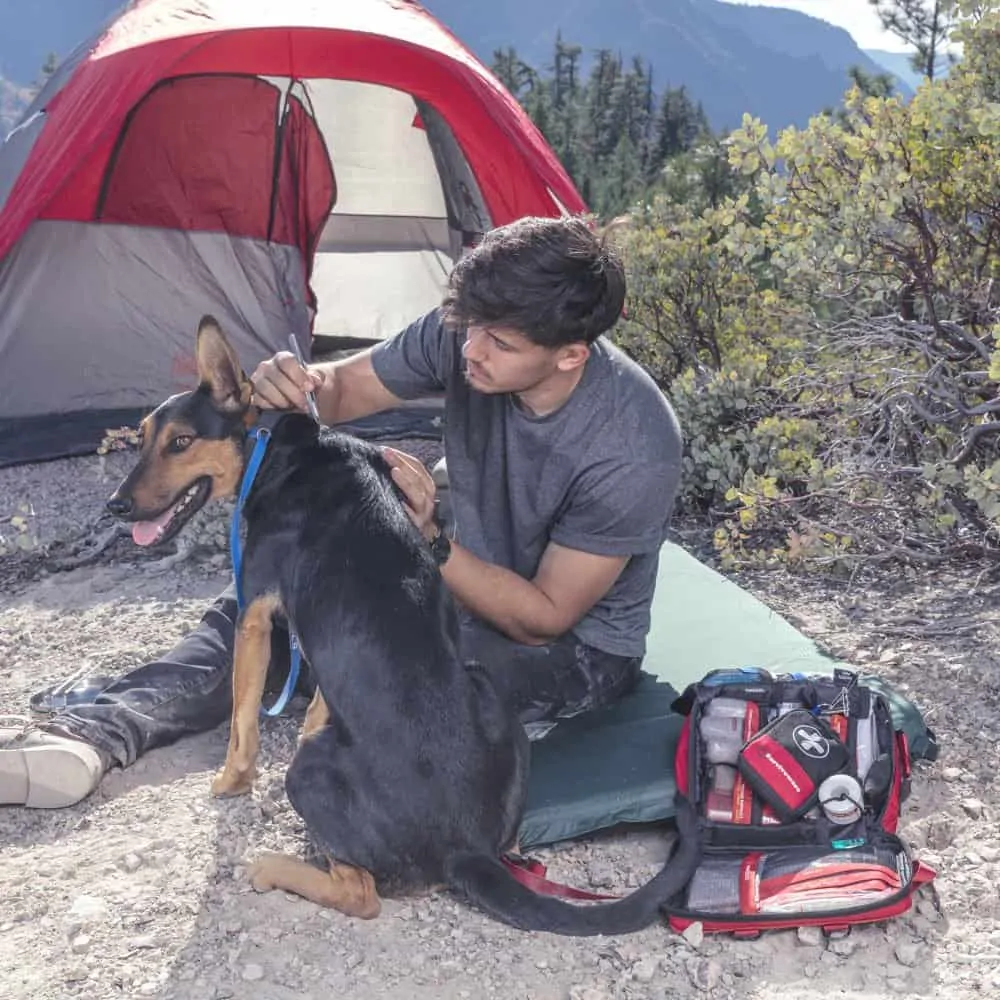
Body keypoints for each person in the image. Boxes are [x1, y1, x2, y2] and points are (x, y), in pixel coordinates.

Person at [0, 215, 683, 809]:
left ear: (570, 354)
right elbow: (345, 389)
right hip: (453, 583)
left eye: (499, 344)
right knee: (266, 606)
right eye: (470, 327)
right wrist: (294, 383)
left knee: (399, 667)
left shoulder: (633, 442)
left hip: (573, 651)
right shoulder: (466, 339)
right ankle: (94, 734)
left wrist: (427, 540)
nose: (471, 349)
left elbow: (546, 618)